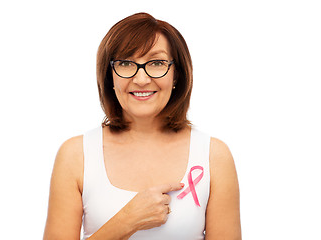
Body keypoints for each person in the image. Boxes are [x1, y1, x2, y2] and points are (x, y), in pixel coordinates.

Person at [43, 12, 241, 240]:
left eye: (157, 63)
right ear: (111, 76)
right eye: (126, 63)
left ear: (176, 75)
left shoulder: (214, 156)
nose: (141, 79)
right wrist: (126, 220)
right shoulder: (75, 155)